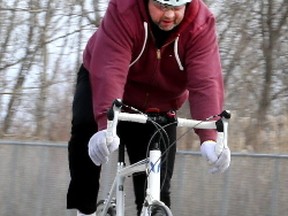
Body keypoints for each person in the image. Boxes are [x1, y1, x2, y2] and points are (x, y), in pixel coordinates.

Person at [67, 0, 231, 215]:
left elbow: (206, 81)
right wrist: (103, 123)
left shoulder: (201, 23)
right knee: (84, 132)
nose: (169, 15)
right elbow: (110, 69)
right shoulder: (123, 9)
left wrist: (209, 137)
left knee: (158, 188)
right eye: (162, 5)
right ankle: (85, 210)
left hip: (160, 102)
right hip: (104, 82)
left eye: (177, 7)